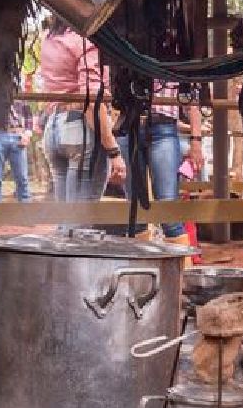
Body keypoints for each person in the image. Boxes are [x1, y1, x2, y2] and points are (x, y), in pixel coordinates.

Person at [38, 18, 123, 202]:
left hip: (53, 127)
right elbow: (91, 100)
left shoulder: (50, 39)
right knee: (81, 217)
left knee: (66, 216)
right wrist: (114, 151)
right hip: (79, 128)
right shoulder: (85, 41)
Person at [113, 80, 203, 248]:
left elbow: (193, 99)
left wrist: (196, 141)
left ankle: (180, 270)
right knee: (135, 209)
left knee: (168, 210)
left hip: (164, 127)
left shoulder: (176, 56)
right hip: (129, 125)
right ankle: (138, 270)